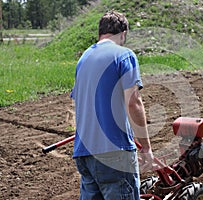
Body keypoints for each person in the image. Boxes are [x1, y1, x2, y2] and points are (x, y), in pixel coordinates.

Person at [70, 10, 154, 200]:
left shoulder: (83, 59)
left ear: (100, 33)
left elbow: (80, 102)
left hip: (84, 153)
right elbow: (133, 102)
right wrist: (147, 148)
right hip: (114, 154)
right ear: (123, 33)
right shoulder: (124, 55)